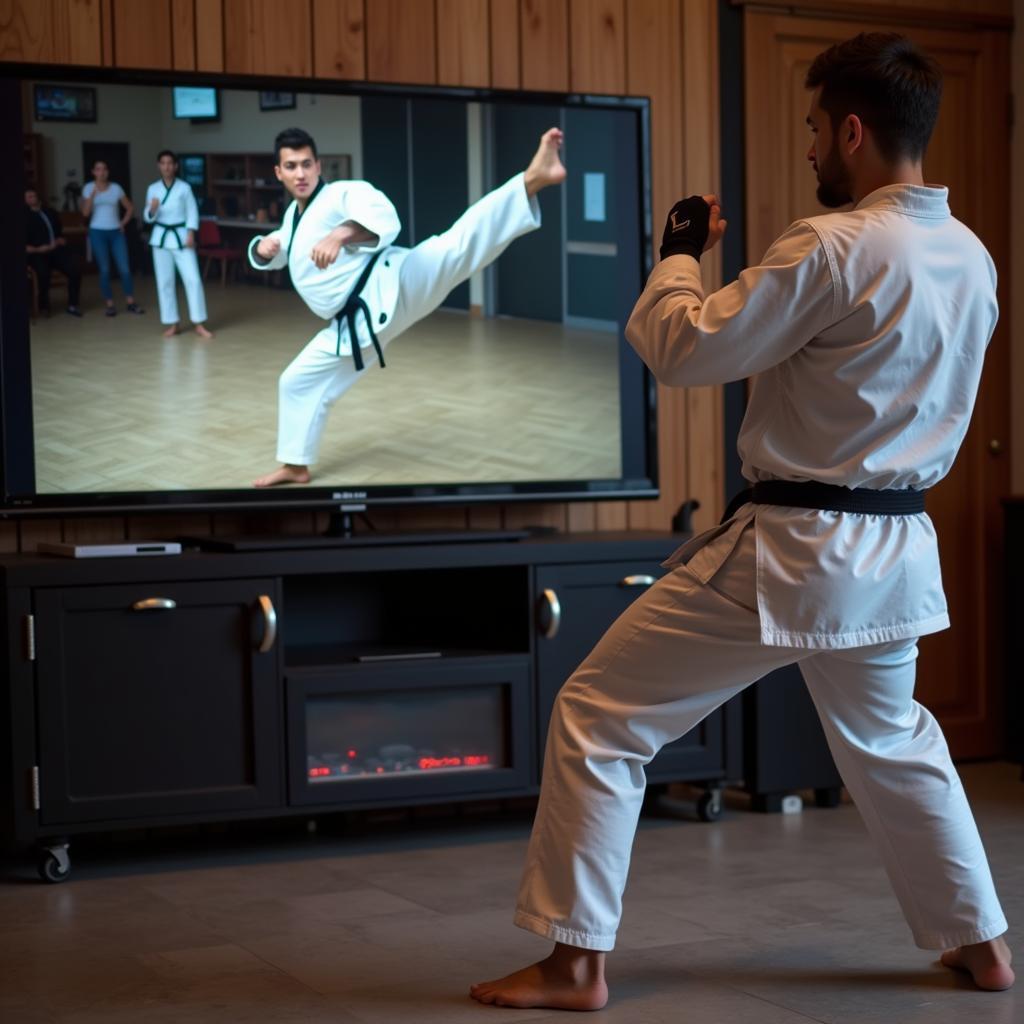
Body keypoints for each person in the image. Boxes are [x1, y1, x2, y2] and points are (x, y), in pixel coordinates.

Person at [470, 32, 1013, 1012]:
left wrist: (679, 255)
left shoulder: (833, 243)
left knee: (599, 717)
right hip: (894, 554)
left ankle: (573, 964)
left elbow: (682, 348)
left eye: (814, 130)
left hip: (796, 548)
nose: (810, 150)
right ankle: (982, 947)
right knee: (893, 741)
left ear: (850, 130)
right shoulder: (971, 259)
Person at [247, 125, 566, 488]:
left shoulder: (342, 193)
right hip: (351, 328)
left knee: (455, 246)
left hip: (392, 284)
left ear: (319, 165)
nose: (300, 174)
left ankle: (532, 179)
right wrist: (263, 249)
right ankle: (296, 465)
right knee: (295, 381)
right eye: (291, 166)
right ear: (279, 172)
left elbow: (384, 216)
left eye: (306, 164)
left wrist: (341, 234)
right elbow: (279, 249)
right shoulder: (293, 217)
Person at [142, 150, 212, 339]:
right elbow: (147, 217)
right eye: (163, 163)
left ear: (175, 166)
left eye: (170, 163)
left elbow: (192, 212)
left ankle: (199, 322)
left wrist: (191, 233)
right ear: (159, 166)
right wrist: (153, 209)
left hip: (182, 236)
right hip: (161, 238)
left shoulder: (184, 188)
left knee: (193, 279)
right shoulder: (153, 189)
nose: (166, 167)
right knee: (165, 282)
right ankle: (173, 323)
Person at [80, 159, 144, 317]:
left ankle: (130, 302)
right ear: (93, 172)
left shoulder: (116, 188)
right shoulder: (88, 188)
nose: (101, 172)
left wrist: (123, 222)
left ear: (107, 172)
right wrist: (92, 195)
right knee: (105, 269)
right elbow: (85, 213)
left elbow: (130, 207)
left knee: (125, 268)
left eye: (104, 169)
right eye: (98, 169)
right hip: (97, 232)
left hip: (116, 232)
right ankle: (110, 304)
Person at [24, 187, 82, 317]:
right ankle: (44, 306)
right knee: (43, 273)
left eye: (32, 195)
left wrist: (60, 239)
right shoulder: (23, 216)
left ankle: (73, 305)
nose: (31, 198)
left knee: (74, 269)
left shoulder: (50, 212)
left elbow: (59, 231)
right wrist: (39, 249)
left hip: (55, 249)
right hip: (36, 252)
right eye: (28, 197)